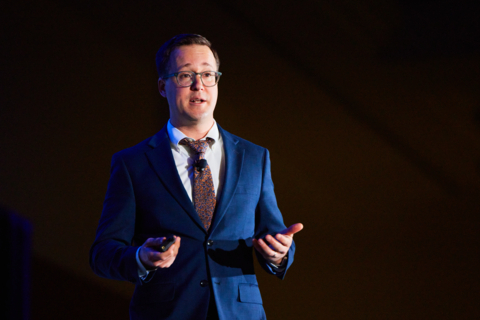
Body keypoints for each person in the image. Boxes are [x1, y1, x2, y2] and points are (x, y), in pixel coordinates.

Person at [89, 34, 303, 320]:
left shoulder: (254, 157)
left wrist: (279, 253)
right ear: (162, 86)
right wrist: (141, 257)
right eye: (185, 75)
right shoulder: (133, 163)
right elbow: (103, 253)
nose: (198, 84)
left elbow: (272, 235)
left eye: (207, 74)